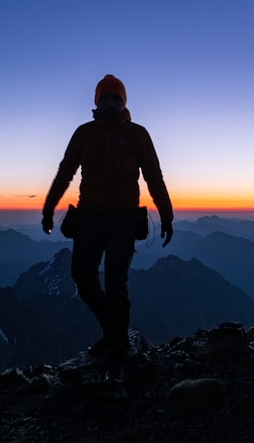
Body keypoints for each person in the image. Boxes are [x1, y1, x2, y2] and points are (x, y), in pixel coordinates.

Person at [42, 74, 174, 374]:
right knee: (81, 276)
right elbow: (65, 173)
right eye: (105, 98)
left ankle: (117, 345)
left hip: (123, 220)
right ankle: (114, 333)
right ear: (96, 101)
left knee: (117, 282)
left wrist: (166, 215)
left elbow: (154, 176)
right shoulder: (83, 133)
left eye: (116, 98)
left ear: (123, 102)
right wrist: (48, 208)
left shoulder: (138, 134)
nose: (110, 102)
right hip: (88, 217)